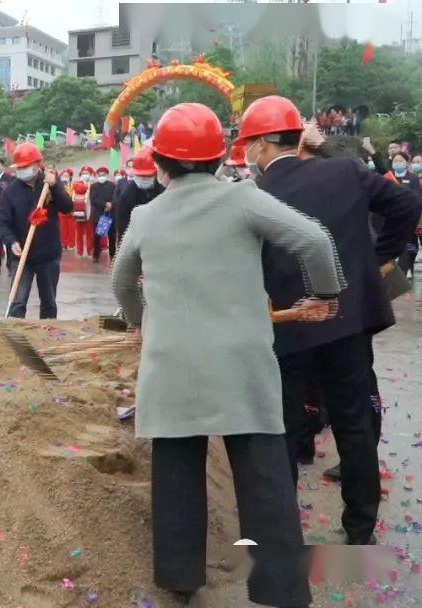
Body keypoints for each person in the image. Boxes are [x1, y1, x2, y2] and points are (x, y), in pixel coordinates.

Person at [113, 102, 342, 607]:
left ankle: (179, 578)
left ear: (161, 163)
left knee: (176, 472)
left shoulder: (145, 215)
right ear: (221, 158)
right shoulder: (245, 200)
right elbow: (315, 242)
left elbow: (120, 279)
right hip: (242, 365)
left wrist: (138, 322)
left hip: (172, 365)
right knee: (264, 480)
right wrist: (324, 295)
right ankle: (281, 587)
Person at [241, 95, 422, 545]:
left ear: (263, 143)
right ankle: (360, 529)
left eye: (248, 143)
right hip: (347, 321)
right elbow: (405, 207)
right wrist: (374, 262)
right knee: (354, 421)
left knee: (283, 426)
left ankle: (282, 531)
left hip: (285, 328)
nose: (246, 152)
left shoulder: (253, 195)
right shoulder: (343, 171)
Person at [0, 142, 73, 319]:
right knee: (17, 302)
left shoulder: (49, 183)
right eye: (19, 167)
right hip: (21, 255)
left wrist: (55, 187)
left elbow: (67, 207)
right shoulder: (10, 192)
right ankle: (15, 336)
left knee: (49, 303)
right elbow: (2, 223)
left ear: (37, 164)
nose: (21, 170)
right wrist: (11, 241)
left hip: (48, 255)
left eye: (26, 167)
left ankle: (46, 337)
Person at [113, 147, 163, 245]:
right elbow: (122, 224)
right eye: (141, 176)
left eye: (147, 176)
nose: (144, 179)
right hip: (134, 239)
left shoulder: (162, 190)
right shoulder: (127, 194)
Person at [89, 166, 116, 262]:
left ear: (107, 175)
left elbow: (116, 197)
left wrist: (111, 204)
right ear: (97, 176)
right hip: (98, 214)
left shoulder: (113, 185)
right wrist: (105, 204)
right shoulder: (94, 186)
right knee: (97, 236)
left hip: (110, 214)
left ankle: (113, 255)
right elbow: (93, 199)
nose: (101, 177)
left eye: (103, 175)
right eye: (99, 175)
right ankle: (96, 255)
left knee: (111, 236)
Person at [58, 168, 77, 251]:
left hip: (71, 210)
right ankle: (63, 243)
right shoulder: (58, 186)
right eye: (63, 175)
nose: (64, 177)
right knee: (62, 228)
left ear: (70, 177)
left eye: (66, 176)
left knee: (71, 228)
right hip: (61, 210)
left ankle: (71, 244)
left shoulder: (73, 186)